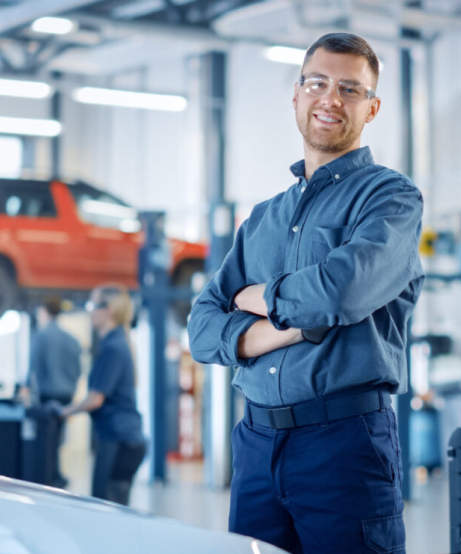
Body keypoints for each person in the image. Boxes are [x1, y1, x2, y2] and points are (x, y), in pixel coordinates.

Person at [188, 32, 423, 554]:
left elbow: (341, 292)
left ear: (372, 107)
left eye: (350, 89)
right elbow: (202, 329)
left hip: (343, 442)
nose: (330, 98)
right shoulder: (263, 219)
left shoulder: (391, 198)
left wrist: (258, 296)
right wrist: (290, 324)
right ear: (296, 94)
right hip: (254, 444)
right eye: (317, 82)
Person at [60, 286, 147, 505]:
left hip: (117, 440)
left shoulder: (113, 348)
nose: (89, 312)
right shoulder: (118, 343)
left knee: (104, 508)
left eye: (92, 305)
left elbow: (95, 399)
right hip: (126, 439)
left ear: (108, 310)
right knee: (115, 509)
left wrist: (65, 411)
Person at [19, 296, 81, 488]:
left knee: (47, 439)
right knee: (58, 438)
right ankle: (56, 475)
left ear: (44, 312)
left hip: (48, 395)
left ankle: (48, 476)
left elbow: (33, 366)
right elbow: (78, 370)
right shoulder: (72, 339)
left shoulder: (41, 336)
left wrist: (26, 389)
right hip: (66, 395)